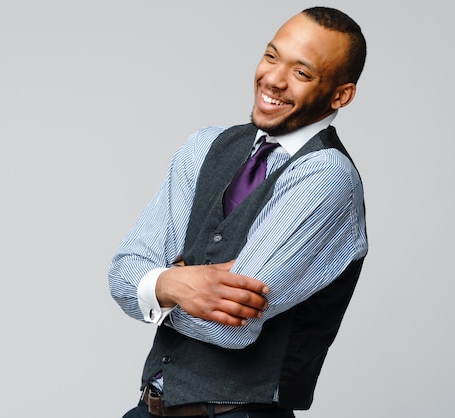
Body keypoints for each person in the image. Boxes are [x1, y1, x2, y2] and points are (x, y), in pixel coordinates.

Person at [109, 6, 368, 418]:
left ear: (341, 95)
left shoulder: (326, 177)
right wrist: (177, 284)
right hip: (150, 407)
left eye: (301, 73)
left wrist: (156, 286)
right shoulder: (204, 146)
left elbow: (230, 327)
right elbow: (122, 274)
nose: (274, 79)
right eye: (271, 56)